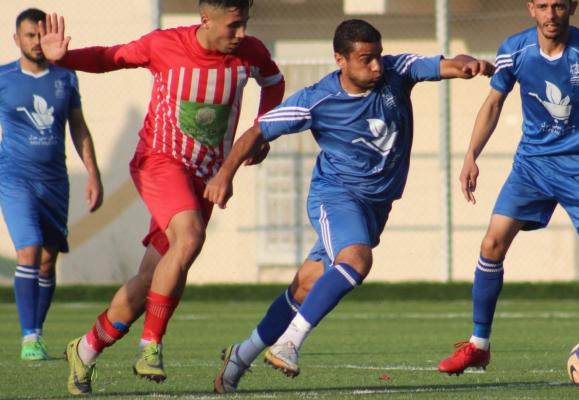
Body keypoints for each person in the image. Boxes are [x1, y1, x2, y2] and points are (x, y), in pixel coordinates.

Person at [204, 19, 493, 393]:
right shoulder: (317, 100)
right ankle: (290, 342)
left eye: (378, 57)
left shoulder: (397, 71)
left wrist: (467, 65)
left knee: (306, 287)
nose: (376, 66)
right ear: (340, 59)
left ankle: (240, 357)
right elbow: (259, 129)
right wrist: (224, 175)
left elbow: (444, 64)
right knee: (356, 261)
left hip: (375, 207)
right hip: (336, 196)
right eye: (365, 59)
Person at [38, 0, 284, 395]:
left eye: (245, 24)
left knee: (153, 278)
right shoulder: (164, 45)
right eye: (234, 25)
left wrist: (262, 130)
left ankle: (84, 349)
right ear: (206, 19)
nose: (241, 34)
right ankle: (150, 345)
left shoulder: (250, 52)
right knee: (190, 237)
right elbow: (109, 58)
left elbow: (273, 82)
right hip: (160, 161)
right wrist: (65, 58)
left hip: (204, 176)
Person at [436, 0, 579, 381]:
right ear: (531, 8)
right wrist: (471, 155)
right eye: (542, 5)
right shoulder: (515, 49)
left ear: (572, 6)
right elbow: (493, 103)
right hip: (533, 167)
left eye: (558, 5)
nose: (551, 14)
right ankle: (478, 345)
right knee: (491, 244)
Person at [0, 8, 103, 362]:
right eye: (30, 35)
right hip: (15, 178)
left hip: (55, 181)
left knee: (47, 260)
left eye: (41, 35)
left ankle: (37, 332)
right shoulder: (4, 78)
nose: (36, 42)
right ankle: (29, 337)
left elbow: (79, 127)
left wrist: (93, 173)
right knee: (29, 250)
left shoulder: (66, 77)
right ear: (17, 39)